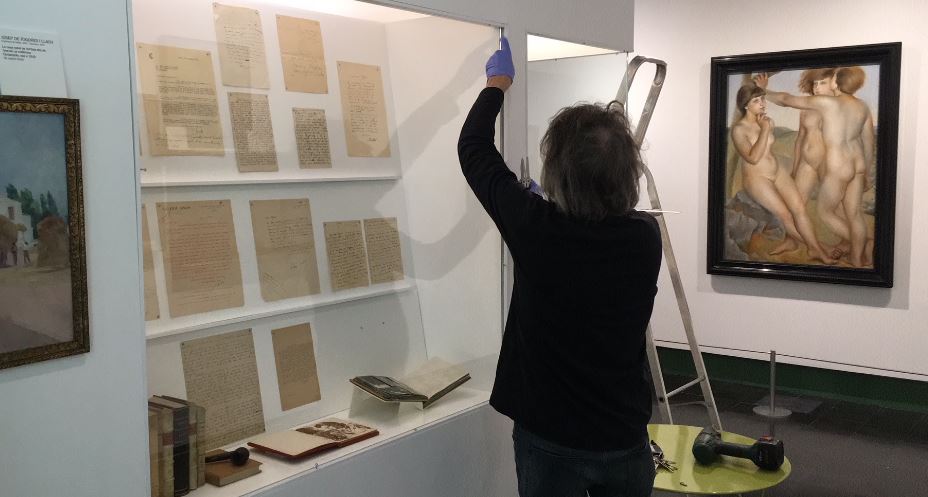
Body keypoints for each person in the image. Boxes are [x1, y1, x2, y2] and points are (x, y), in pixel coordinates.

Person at [458, 37, 660, 497]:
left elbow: (474, 148)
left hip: (551, 438)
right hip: (623, 436)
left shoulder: (537, 228)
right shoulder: (645, 237)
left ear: (557, 173)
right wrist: (539, 205)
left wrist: (496, 85)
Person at [756, 69, 874, 267]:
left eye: (826, 81)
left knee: (825, 212)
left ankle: (861, 245)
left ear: (835, 83)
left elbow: (785, 99)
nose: (818, 87)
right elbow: (869, 142)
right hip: (857, 163)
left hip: (839, 165)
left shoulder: (827, 103)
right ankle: (857, 258)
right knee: (854, 215)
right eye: (816, 83)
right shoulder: (863, 107)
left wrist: (763, 90)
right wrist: (867, 173)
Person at [730, 82, 835, 263]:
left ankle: (816, 248)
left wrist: (766, 127)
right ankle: (819, 249)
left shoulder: (767, 121)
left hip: (776, 171)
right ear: (746, 105)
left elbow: (768, 151)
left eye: (762, 99)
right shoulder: (739, 129)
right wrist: (764, 130)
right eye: (756, 101)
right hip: (757, 178)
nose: (762, 103)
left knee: (799, 208)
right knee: (785, 215)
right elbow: (753, 158)